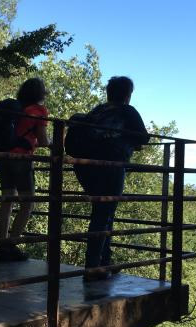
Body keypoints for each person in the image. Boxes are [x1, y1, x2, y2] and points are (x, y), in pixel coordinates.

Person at [74, 76, 149, 280]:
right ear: (127, 94)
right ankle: (93, 266)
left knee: (103, 212)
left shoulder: (98, 110)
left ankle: (104, 261)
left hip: (86, 167)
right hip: (110, 166)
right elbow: (144, 137)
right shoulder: (127, 111)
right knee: (103, 214)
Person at [0, 78, 50, 262]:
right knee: (28, 203)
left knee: (8, 200)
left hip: (3, 157)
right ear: (40, 93)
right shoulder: (38, 111)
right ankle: (10, 246)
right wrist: (56, 143)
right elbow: (43, 141)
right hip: (21, 158)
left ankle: (2, 244)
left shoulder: (16, 108)